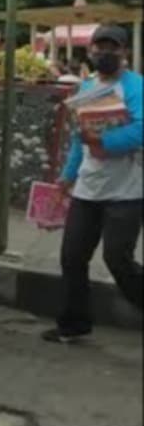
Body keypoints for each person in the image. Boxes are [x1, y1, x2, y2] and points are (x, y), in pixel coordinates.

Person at [44, 24, 142, 343]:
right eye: (99, 47)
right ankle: (74, 323)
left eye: (112, 47)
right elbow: (78, 138)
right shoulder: (85, 87)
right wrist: (67, 177)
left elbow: (141, 128)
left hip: (127, 189)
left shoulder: (136, 86)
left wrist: (105, 142)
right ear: (91, 51)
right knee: (72, 256)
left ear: (124, 52)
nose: (105, 53)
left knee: (117, 258)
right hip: (88, 187)